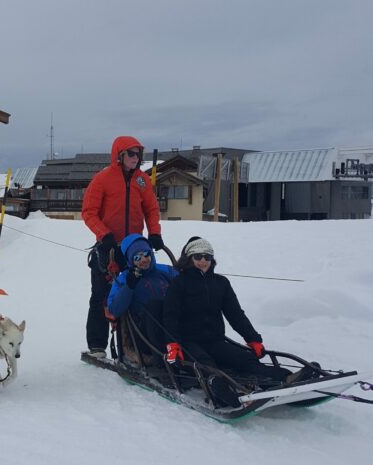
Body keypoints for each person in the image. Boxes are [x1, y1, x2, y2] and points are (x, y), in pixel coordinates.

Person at [162, 237, 317, 407]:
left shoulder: (221, 283)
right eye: (198, 257)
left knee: (244, 358)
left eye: (207, 257)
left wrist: (253, 339)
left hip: (215, 340)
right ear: (189, 259)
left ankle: (285, 378)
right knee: (205, 364)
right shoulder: (179, 284)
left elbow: (235, 314)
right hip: (188, 341)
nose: (203, 261)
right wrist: (172, 344)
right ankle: (220, 389)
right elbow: (170, 317)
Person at [81, 136, 165, 358]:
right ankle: (98, 345)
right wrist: (104, 234)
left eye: (138, 154)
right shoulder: (102, 179)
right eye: (131, 153)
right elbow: (89, 212)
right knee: (101, 294)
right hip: (108, 247)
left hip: (134, 249)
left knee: (133, 292)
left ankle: (131, 346)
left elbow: (151, 210)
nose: (135, 158)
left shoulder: (142, 181)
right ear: (119, 155)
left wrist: (154, 233)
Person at [107, 234, 178, 362]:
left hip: (173, 326)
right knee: (154, 306)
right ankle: (161, 360)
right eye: (137, 257)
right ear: (130, 260)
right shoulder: (124, 279)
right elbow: (114, 309)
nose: (143, 260)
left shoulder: (167, 271)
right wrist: (129, 287)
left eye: (146, 254)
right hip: (143, 334)